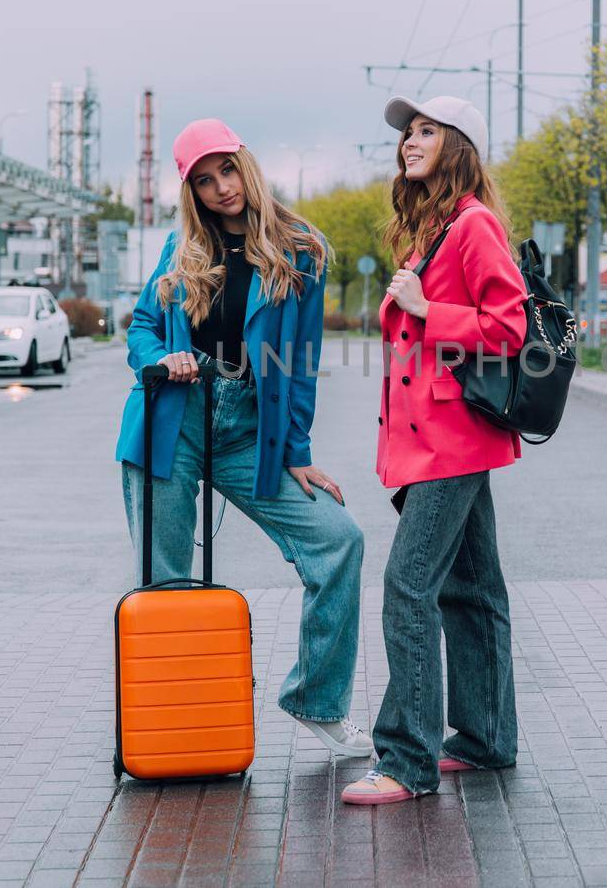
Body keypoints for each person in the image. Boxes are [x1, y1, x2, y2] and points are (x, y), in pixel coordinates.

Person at [114, 117, 372, 758]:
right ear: (191, 191)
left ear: (246, 164)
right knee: (166, 586)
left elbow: (302, 361)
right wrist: (158, 359)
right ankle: (174, 725)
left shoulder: (300, 249)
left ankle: (317, 701)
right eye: (204, 181)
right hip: (171, 419)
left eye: (227, 170)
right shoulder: (183, 249)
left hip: (246, 431)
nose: (221, 188)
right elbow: (143, 323)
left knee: (339, 542)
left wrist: (298, 455)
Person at [342, 96, 527, 805]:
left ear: (457, 145)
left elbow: (507, 329)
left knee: (407, 585)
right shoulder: (434, 228)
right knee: (471, 590)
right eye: (406, 133)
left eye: (424, 131)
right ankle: (484, 739)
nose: (408, 142)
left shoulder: (474, 225)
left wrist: (426, 309)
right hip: (439, 437)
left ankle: (408, 762)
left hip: (454, 440)